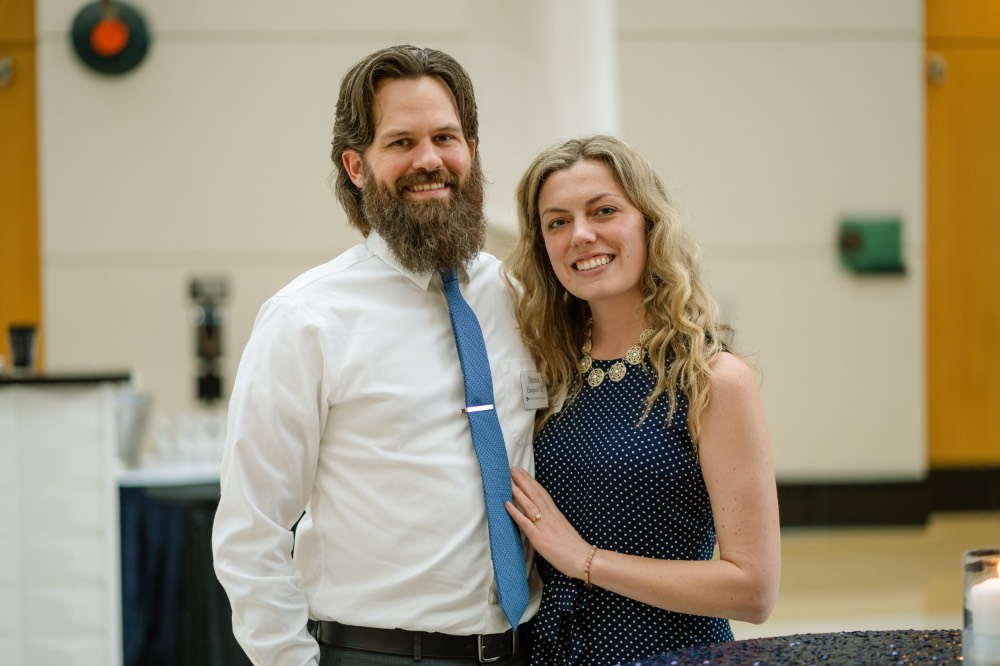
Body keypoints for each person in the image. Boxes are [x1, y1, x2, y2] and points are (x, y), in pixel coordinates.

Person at [212, 45, 542, 666]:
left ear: (471, 151)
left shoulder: (517, 297)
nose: (429, 160)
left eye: (445, 137)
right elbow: (251, 530)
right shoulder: (306, 318)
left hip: (525, 648)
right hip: (378, 652)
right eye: (401, 142)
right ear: (356, 166)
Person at [502, 134, 781, 665]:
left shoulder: (711, 379)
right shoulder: (550, 372)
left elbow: (754, 589)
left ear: (649, 223)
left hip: (670, 653)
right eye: (557, 222)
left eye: (603, 211)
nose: (580, 235)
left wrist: (586, 561)